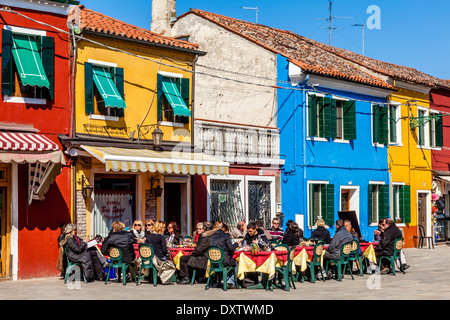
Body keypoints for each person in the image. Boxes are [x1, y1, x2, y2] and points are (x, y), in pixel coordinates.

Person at [209, 222, 239, 288]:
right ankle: (230, 282)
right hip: (223, 261)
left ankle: (224, 281)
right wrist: (237, 244)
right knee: (236, 263)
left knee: (229, 262)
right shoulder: (226, 236)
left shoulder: (212, 236)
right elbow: (231, 248)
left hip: (213, 262)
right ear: (226, 230)